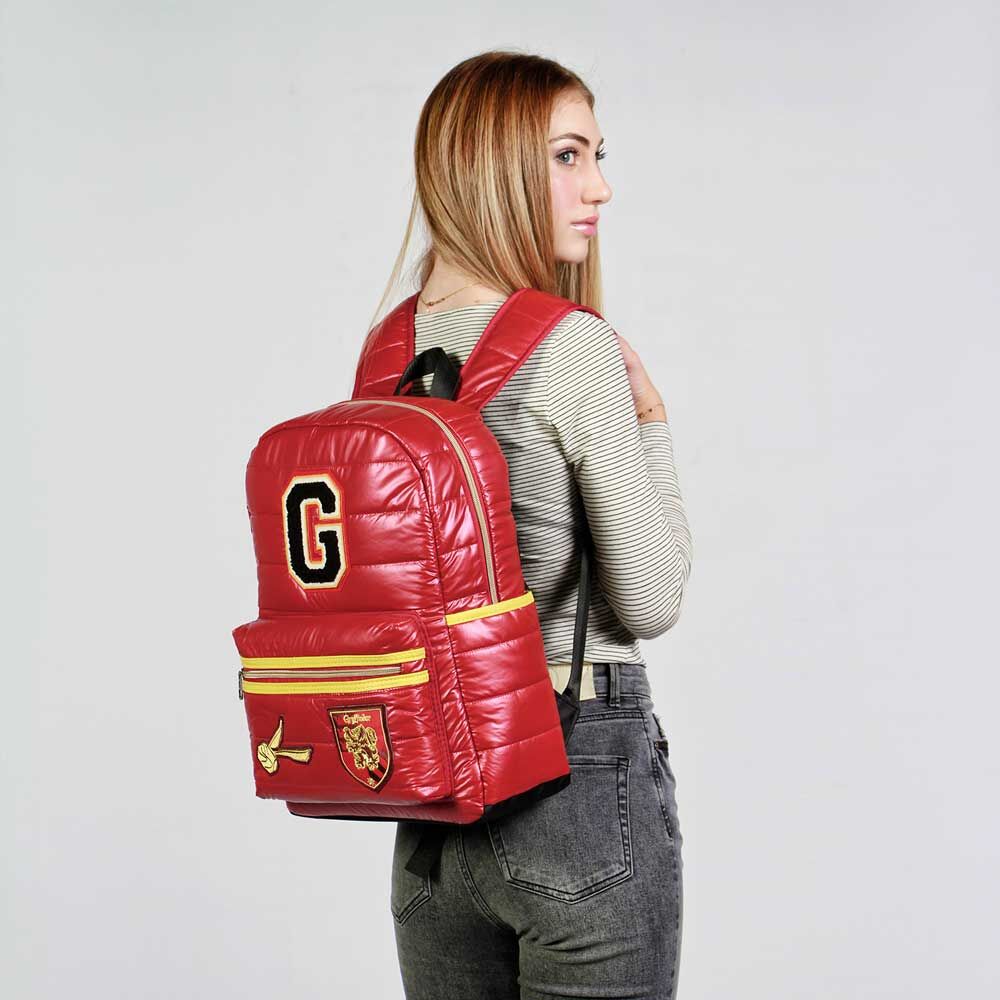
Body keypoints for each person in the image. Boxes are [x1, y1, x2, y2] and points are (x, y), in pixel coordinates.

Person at [377, 50, 693, 1000]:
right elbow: (653, 598)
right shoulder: (572, 346)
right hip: (573, 778)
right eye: (567, 155)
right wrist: (652, 425)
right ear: (492, 166)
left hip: (434, 813)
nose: (599, 187)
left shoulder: (389, 352)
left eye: (596, 155)